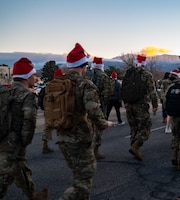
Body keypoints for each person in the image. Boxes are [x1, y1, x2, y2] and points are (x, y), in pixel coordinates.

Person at [56, 43, 115, 199]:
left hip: (62, 135)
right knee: (84, 180)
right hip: (79, 137)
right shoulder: (85, 84)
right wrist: (104, 123)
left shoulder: (58, 83)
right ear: (83, 66)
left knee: (78, 175)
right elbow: (93, 109)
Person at [0, 58, 49, 199]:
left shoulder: (4, 92)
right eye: (34, 75)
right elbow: (29, 122)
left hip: (2, 136)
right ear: (27, 77)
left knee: (20, 167)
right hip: (12, 143)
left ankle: (32, 195)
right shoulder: (28, 95)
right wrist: (24, 142)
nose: (36, 78)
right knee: (4, 179)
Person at [122, 54, 158, 161]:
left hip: (129, 105)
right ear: (144, 64)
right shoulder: (146, 75)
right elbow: (152, 92)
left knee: (134, 127)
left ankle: (134, 148)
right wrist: (155, 105)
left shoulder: (128, 74)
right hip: (141, 105)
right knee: (145, 127)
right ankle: (136, 146)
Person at [87, 56, 111, 159]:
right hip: (98, 105)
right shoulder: (104, 76)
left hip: (86, 105)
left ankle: (87, 150)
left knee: (87, 127)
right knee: (98, 128)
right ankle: (95, 151)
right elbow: (106, 93)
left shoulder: (87, 74)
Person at [39, 68, 64, 154]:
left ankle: (45, 145)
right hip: (60, 110)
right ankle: (62, 144)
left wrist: (44, 108)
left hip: (49, 111)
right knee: (61, 126)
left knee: (47, 127)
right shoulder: (63, 86)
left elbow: (41, 97)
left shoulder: (48, 86)